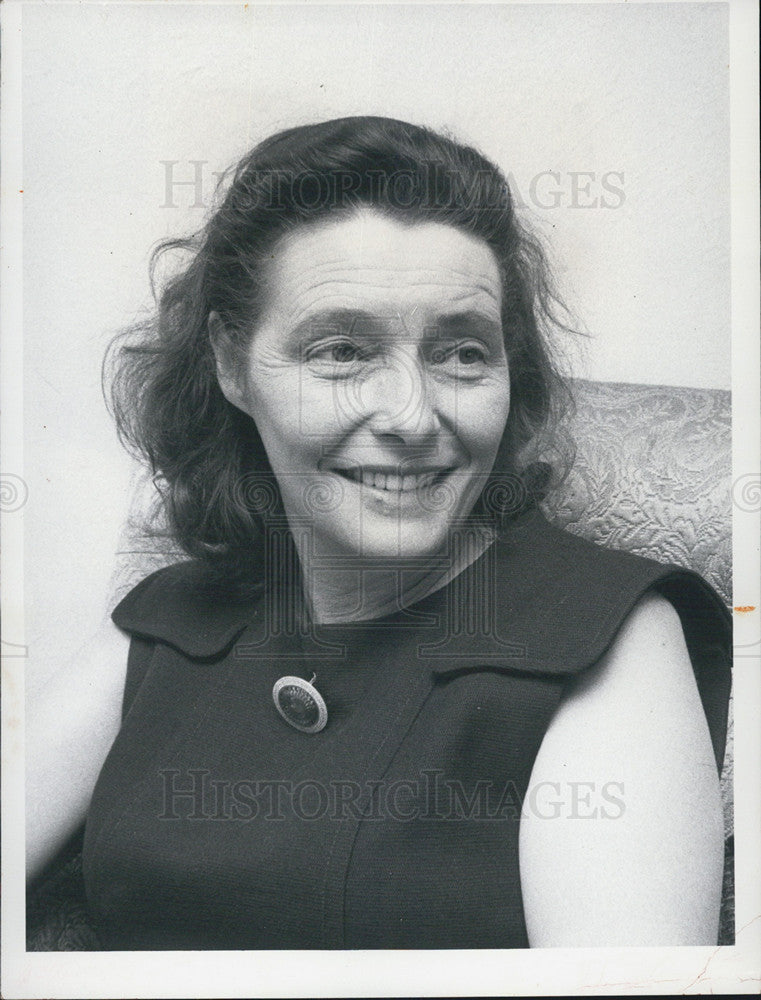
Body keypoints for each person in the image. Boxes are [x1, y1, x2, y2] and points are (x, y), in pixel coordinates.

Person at [26, 116, 731, 950]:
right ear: (230, 363)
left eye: (463, 354)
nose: (411, 415)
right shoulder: (169, 618)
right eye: (341, 351)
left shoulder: (607, 631)